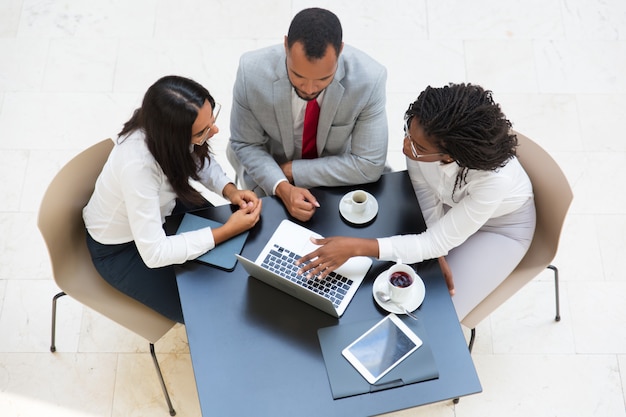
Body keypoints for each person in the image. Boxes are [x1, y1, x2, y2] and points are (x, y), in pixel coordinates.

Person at [297, 83, 536, 321]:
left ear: (451, 155)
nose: (405, 146)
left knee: (439, 313)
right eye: (407, 133)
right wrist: (437, 249)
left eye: (417, 147)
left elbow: (433, 242)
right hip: (449, 205)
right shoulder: (420, 138)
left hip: (501, 228)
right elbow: (423, 187)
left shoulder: (494, 181)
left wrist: (357, 247)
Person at [83, 75, 262, 324]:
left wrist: (229, 190)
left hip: (163, 210)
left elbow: (195, 158)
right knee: (206, 312)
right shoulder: (138, 167)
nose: (215, 131)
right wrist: (226, 231)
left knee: (237, 264)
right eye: (203, 131)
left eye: (212, 120)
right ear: (173, 137)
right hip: (122, 249)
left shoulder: (162, 127)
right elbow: (154, 253)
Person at [227, 7, 388, 222]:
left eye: (323, 79)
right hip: (267, 172)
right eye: (298, 76)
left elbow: (369, 163)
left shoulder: (370, 79)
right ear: (285, 46)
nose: (310, 88)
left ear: (340, 51)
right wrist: (281, 186)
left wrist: (294, 170)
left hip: (335, 173)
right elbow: (245, 144)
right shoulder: (251, 72)